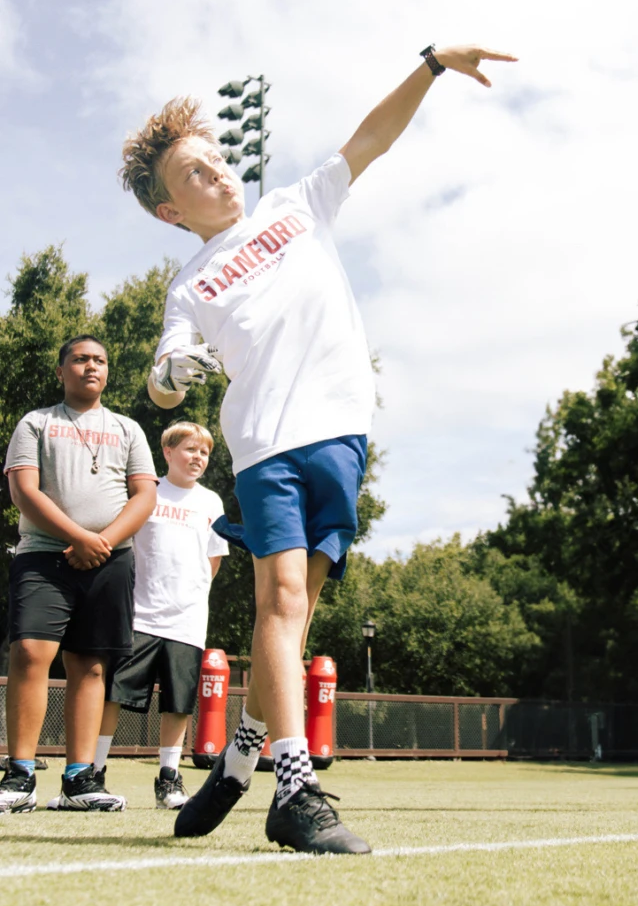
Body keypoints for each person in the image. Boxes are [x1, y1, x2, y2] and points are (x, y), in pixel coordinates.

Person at [120, 43, 516, 853]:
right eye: (193, 174)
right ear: (170, 210)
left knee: (295, 626)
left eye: (217, 160)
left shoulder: (295, 206)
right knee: (281, 603)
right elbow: (163, 379)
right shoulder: (190, 284)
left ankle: (238, 760)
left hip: (343, 437)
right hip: (267, 445)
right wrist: (171, 372)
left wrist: (433, 64)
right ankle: (293, 790)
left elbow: (371, 137)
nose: (218, 174)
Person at [1, 336, 157, 812]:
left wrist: (102, 542)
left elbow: (145, 497)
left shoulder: (128, 429)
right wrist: (79, 537)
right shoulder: (36, 423)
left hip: (110, 560)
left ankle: (79, 780)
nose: (91, 366)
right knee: (30, 652)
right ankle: (20, 776)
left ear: (108, 372)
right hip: (44, 556)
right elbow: (24, 491)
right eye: (80, 358)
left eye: (100, 360)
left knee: (90, 665)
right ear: (61, 370)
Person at [90, 421, 228, 809]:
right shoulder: (146, 493)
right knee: (113, 695)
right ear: (167, 452)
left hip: (187, 622)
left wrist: (186, 596)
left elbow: (212, 562)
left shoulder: (212, 502)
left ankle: (168, 780)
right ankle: (93, 772)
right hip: (139, 617)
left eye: (203, 452)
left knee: (178, 703)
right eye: (189, 449)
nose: (197, 457)